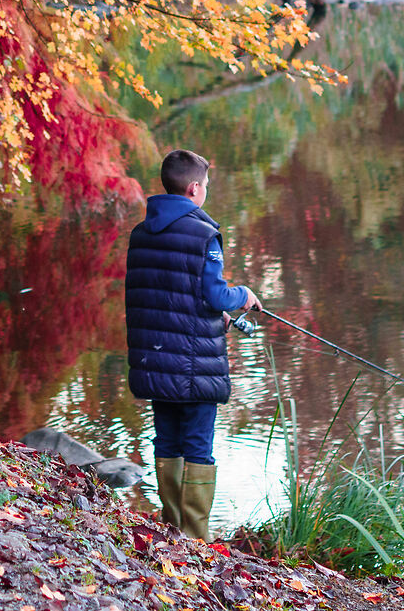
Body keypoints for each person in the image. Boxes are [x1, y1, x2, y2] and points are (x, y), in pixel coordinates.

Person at [125, 147, 258, 542]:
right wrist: (244, 296)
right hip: (195, 363)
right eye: (207, 186)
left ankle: (171, 529)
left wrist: (215, 313)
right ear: (195, 188)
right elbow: (215, 295)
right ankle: (196, 538)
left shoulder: (141, 233)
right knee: (198, 445)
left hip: (156, 359)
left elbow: (166, 294)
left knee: (166, 440)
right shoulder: (204, 234)